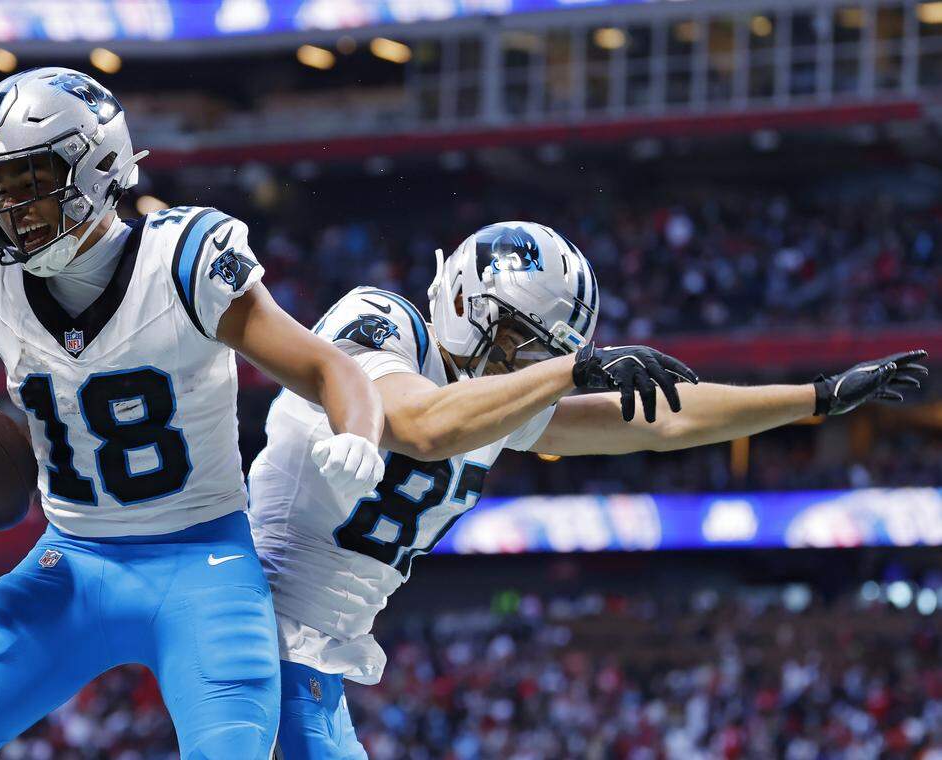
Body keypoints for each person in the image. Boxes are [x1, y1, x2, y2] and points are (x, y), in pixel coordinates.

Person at [247, 220, 928, 759]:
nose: (524, 366)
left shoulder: (497, 405)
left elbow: (665, 420)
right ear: (462, 298)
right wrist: (571, 370)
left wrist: (814, 396)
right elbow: (419, 426)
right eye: (518, 341)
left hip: (318, 651)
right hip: (250, 613)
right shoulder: (381, 320)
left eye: (540, 354)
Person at [0, 67, 386, 760]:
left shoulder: (183, 262)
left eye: (31, 179)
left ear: (99, 163)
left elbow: (328, 366)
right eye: (0, 187)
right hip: (73, 561)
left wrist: (361, 432)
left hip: (205, 559)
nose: (14, 207)